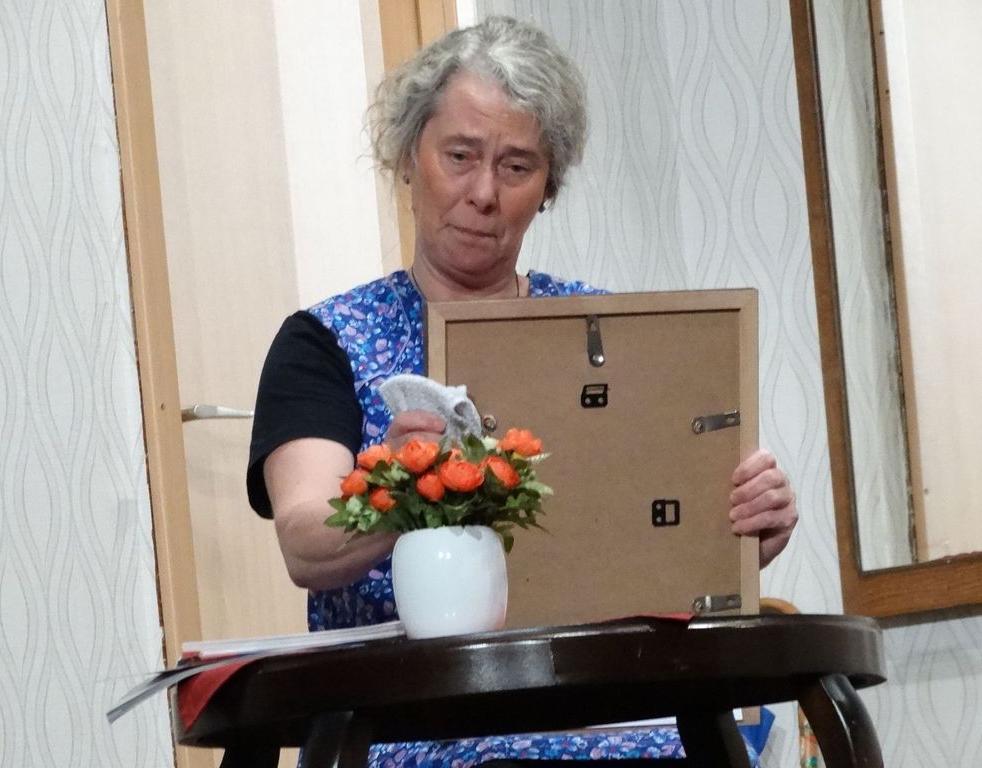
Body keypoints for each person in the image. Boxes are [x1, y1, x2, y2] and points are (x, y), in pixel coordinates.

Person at [247, 15, 797, 765]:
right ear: (408, 158)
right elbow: (305, 541)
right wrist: (400, 487)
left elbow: (657, 541)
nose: (484, 193)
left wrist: (739, 529)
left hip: (610, 717)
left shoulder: (606, 333)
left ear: (548, 187)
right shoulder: (328, 341)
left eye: (516, 166)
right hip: (411, 725)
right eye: (459, 156)